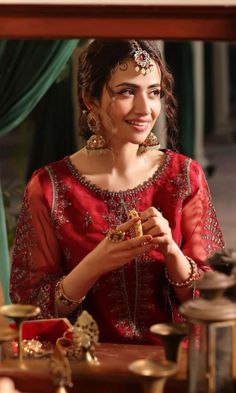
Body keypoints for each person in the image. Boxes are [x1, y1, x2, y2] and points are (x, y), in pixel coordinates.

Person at [10, 40, 224, 344]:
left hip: (172, 365)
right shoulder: (50, 187)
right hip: (85, 369)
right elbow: (30, 307)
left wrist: (172, 253)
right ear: (90, 100)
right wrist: (95, 262)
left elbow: (215, 296)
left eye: (153, 93)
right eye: (126, 91)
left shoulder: (184, 177)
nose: (144, 109)